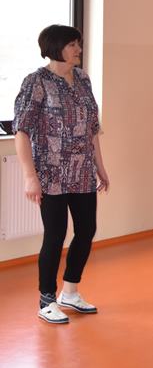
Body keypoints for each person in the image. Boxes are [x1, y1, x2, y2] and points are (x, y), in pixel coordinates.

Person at [13, 24, 109, 324]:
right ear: (55, 48)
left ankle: (70, 291)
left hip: (82, 171)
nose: (78, 49)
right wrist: (30, 177)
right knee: (55, 235)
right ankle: (46, 299)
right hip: (50, 173)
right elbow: (21, 132)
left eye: (78, 43)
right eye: (72, 45)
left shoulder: (83, 79)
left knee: (87, 230)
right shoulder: (36, 82)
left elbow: (92, 129)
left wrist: (100, 167)